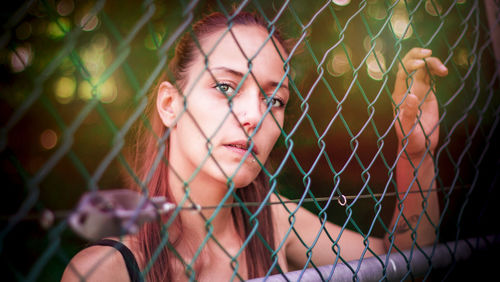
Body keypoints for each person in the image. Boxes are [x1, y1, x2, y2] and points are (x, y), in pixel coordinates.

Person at [61, 11, 448, 282]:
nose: (254, 116)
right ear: (170, 104)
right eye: (226, 87)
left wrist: (416, 154)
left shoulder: (273, 221)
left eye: (274, 99)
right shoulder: (104, 272)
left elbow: (406, 262)